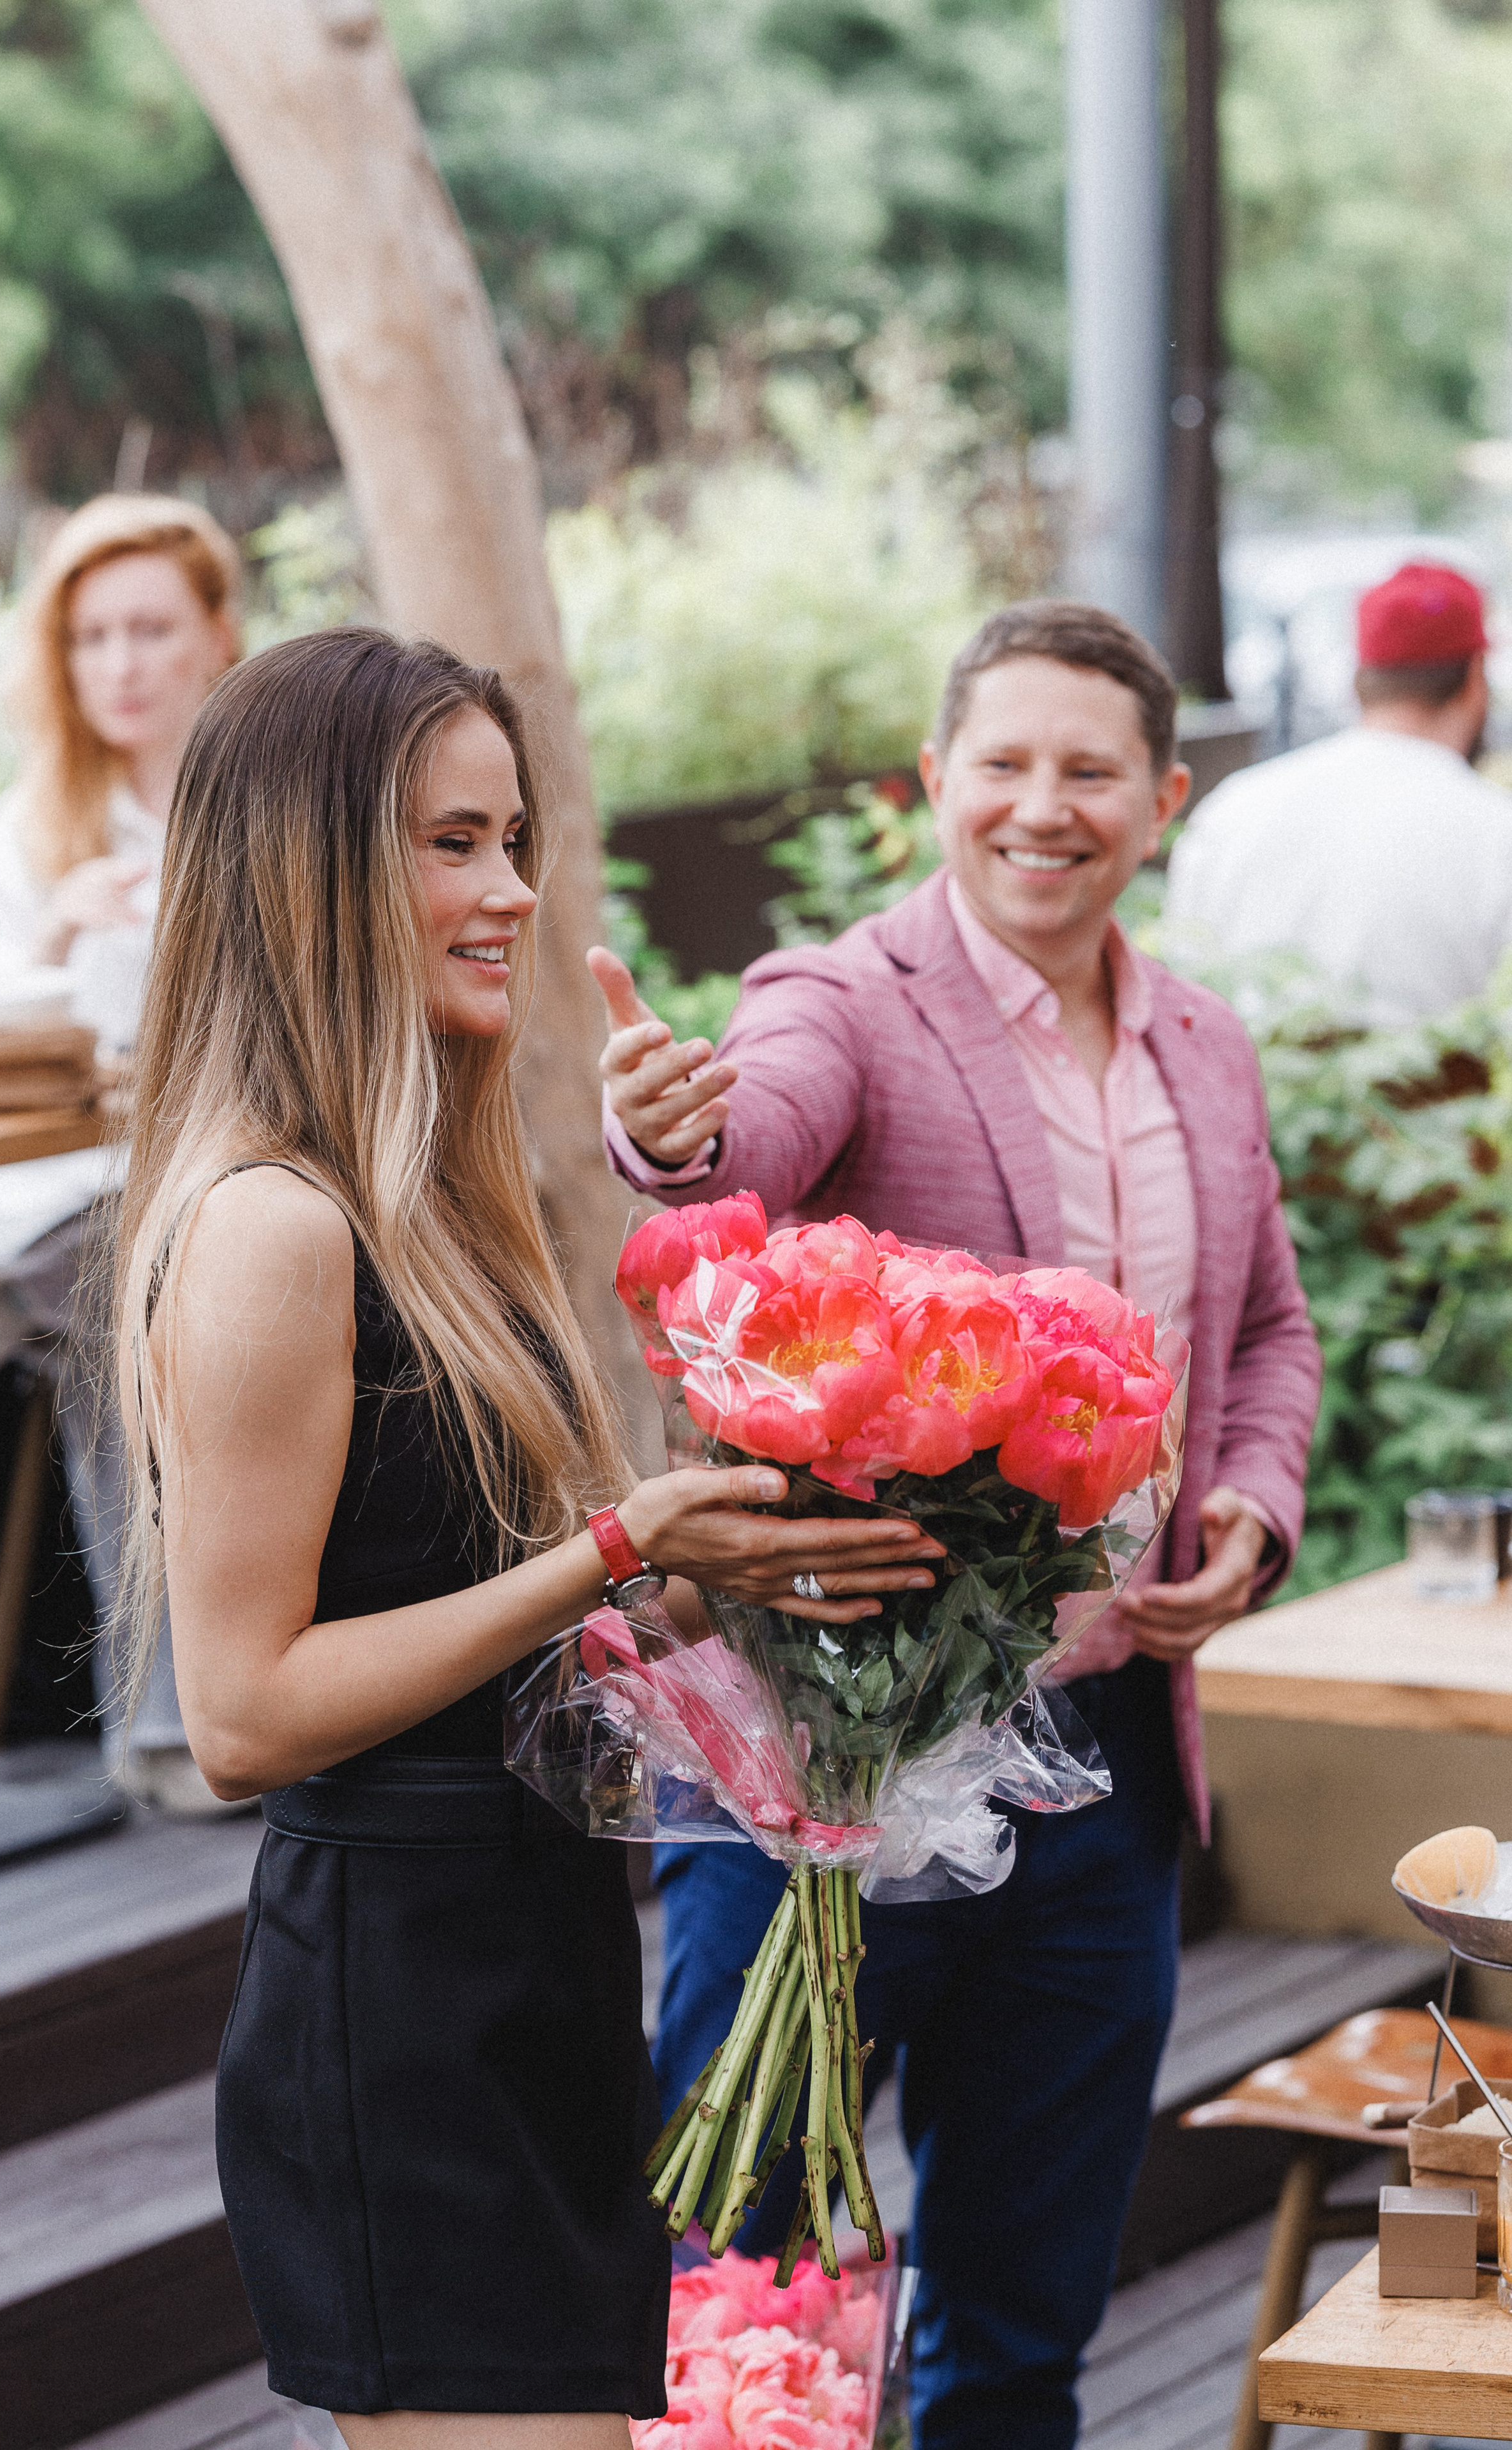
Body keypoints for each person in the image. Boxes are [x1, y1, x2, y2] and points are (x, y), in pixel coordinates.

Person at [111, 628, 943, 2446]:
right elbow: (244, 1713)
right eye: (449, 843)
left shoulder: (426, 1201)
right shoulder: (274, 1227)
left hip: (534, 1968)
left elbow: (464, 1612)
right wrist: (616, 1548)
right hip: (403, 2021)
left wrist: (725, 1583)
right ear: (308, 870)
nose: (510, 890)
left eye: (513, 837)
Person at [591, 599, 1322, 2450]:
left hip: (1105, 1779)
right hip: (836, 1759)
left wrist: (1245, 1502)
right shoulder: (848, 999)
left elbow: (1264, 1333)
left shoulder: (1203, 1047)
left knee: (1020, 2318)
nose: (1041, 805)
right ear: (936, 782)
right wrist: (679, 1137)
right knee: (750, 2308)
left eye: (1090, 770)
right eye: (1002, 761)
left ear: (1158, 801)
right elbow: (745, 1136)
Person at [0, 495, 242, 1794]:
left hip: (229, 1182)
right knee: (124, 1318)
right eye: (91, 637)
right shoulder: (26, 835)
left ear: (215, 632)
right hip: (64, 1199)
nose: (122, 664)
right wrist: (47, 948)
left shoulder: (259, 806)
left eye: (149, 627)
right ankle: (168, 1725)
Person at [1165, 560, 1512, 1023]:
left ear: (1359, 680)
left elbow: (1180, 993)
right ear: (1475, 679)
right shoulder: (1495, 830)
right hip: (1429, 1092)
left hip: (1248, 1088)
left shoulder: (1235, 806)